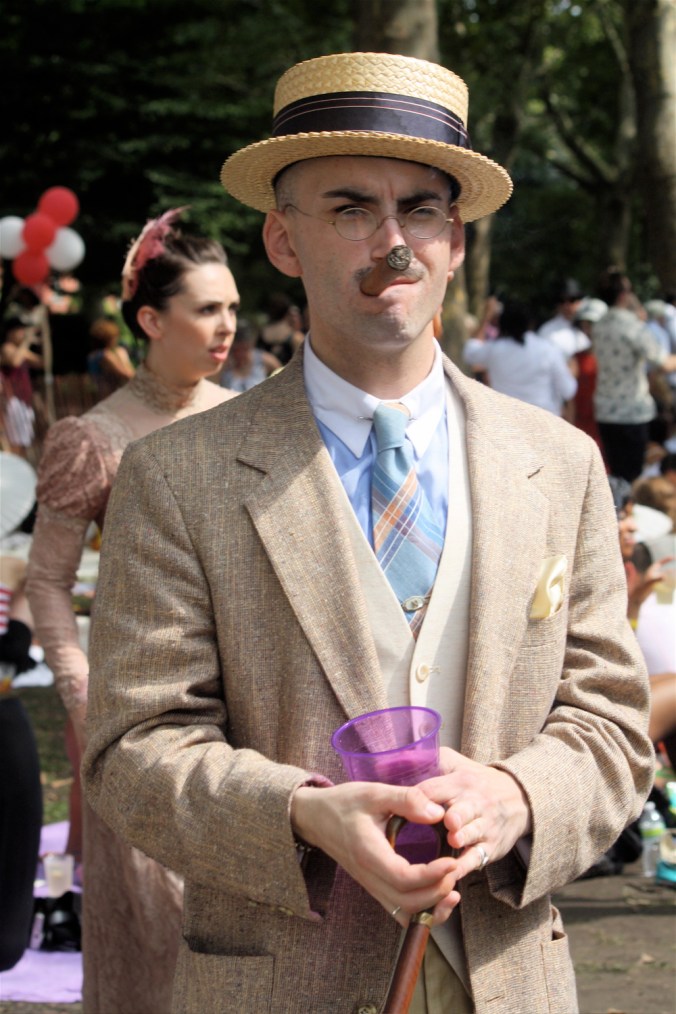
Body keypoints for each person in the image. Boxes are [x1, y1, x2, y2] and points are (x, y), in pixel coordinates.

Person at [82, 53, 653, 1014]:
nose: (393, 242)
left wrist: (518, 797)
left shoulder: (560, 464)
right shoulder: (178, 475)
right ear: (283, 238)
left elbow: (613, 725)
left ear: (457, 241)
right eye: (350, 207)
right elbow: (133, 747)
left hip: (512, 979)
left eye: (422, 209)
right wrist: (303, 816)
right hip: (279, 984)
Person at [26, 208, 240, 1014]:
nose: (226, 327)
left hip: (250, 711)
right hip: (141, 716)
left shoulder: (250, 417)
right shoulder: (96, 437)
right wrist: (84, 698)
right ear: (152, 320)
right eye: (206, 310)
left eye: (231, 307)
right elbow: (46, 582)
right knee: (153, 939)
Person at [592, 268, 676, 482]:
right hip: (631, 411)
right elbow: (664, 363)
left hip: (605, 409)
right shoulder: (632, 326)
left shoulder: (599, 325)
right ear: (623, 294)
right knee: (633, 475)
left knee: (616, 472)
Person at [463, 300, 577, 415]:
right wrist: (571, 372)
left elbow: (470, 352)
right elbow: (568, 390)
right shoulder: (548, 350)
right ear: (531, 323)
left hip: (507, 421)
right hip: (544, 421)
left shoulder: (495, 349)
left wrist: (486, 317)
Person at [0, 316, 43, 455]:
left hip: (24, 400)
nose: (23, 333)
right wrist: (26, 342)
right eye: (20, 330)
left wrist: (42, 342)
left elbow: (42, 363)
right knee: (15, 442)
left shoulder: (21, 350)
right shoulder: (7, 348)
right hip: (13, 400)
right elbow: (14, 361)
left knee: (23, 442)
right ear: (10, 332)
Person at [219, 318, 281, 392]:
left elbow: (283, 381)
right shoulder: (222, 364)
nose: (240, 354)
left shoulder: (265, 360)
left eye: (244, 349)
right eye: (235, 350)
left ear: (250, 345)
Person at [86, 317, 135, 397]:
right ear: (109, 338)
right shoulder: (105, 356)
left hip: (101, 395)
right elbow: (128, 375)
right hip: (110, 397)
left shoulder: (92, 356)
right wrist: (124, 357)